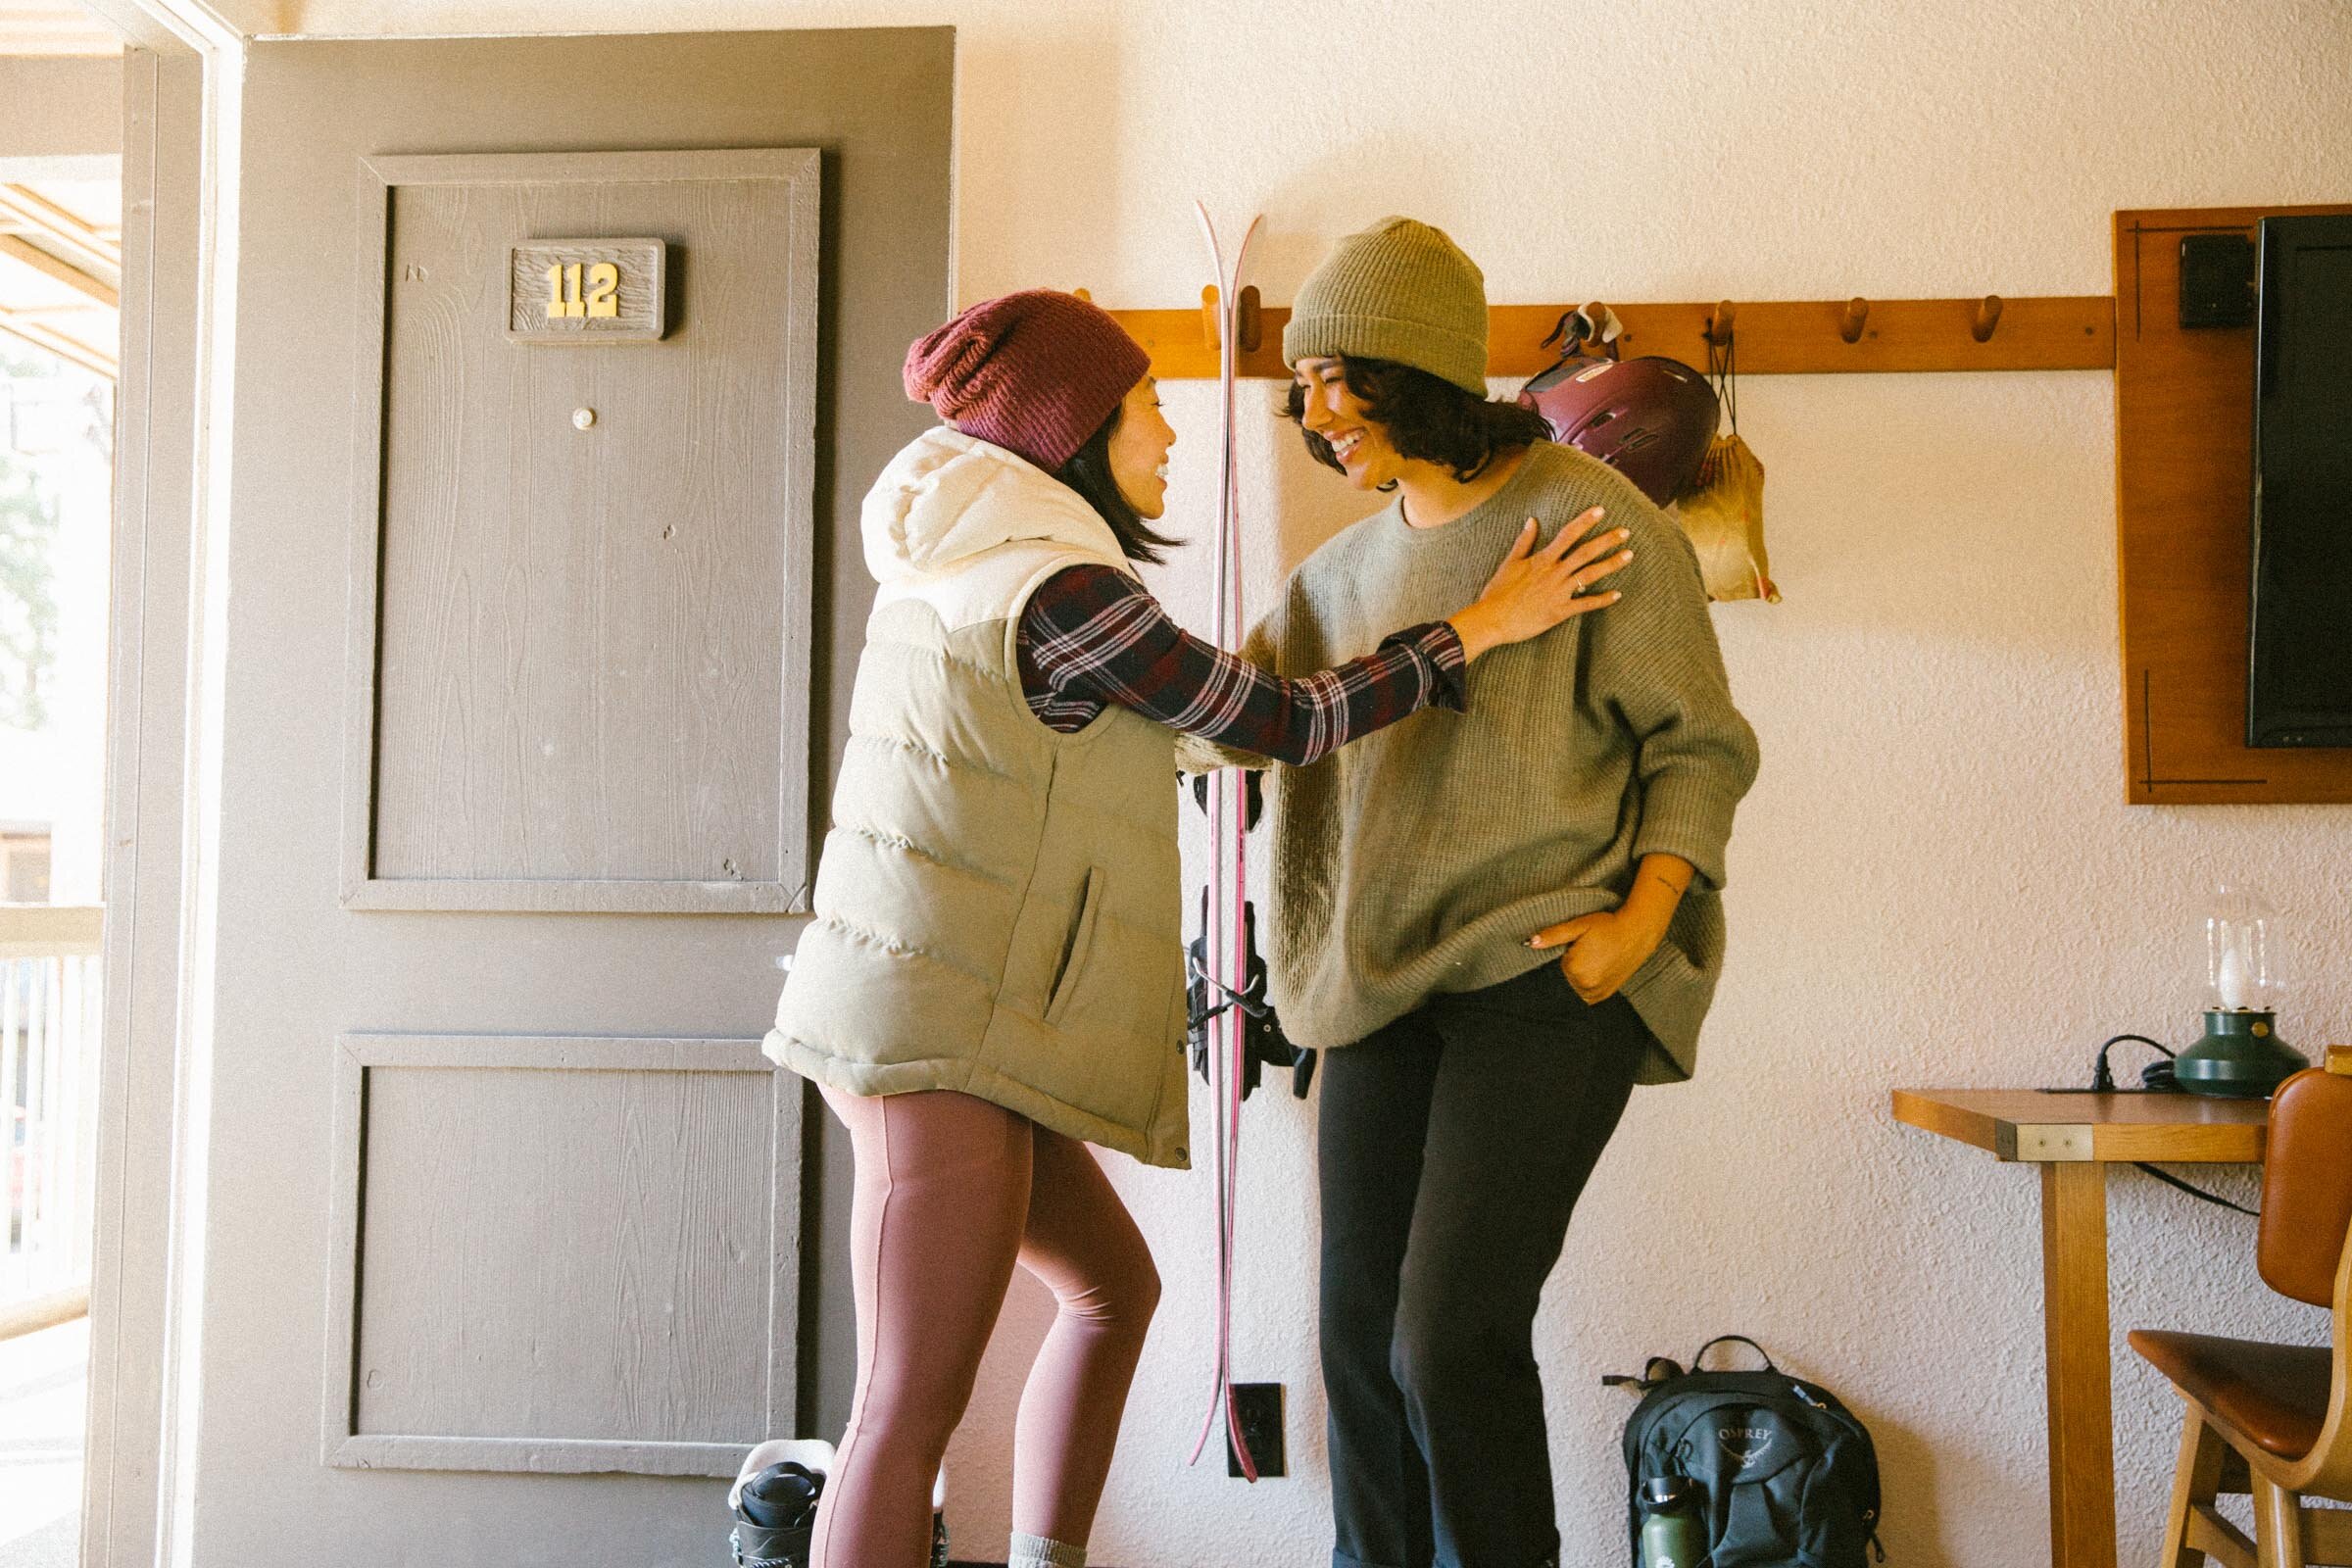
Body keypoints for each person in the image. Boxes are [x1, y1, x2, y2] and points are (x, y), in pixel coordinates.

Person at [763, 288, 1637, 1568]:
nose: (1169, 438)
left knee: (1116, 1293)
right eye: (1149, 413)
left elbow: (1173, 732)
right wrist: (1481, 628)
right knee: (905, 1405)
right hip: (929, 1035)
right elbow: (1262, 720)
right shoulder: (1050, 582)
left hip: (967, 1020)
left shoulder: (993, 561)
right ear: (1077, 431)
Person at [1246, 219, 1761, 1568]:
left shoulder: (1596, 525)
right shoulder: (1337, 577)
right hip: (1374, 988)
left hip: (1541, 978)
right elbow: (1226, 724)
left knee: (1447, 1335)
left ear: (1412, 367)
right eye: (1303, 388)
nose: (1318, 415)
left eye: (1335, 380)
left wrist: (1640, 926)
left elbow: (1699, 746)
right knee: (1358, 1347)